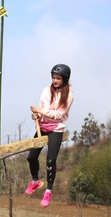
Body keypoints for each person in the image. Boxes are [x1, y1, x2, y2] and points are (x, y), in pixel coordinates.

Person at [25, 64, 74, 207]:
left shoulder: (69, 94)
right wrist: (36, 114)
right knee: (31, 157)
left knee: (50, 161)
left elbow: (59, 114)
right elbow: (42, 109)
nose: (55, 81)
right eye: (53, 78)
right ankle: (35, 181)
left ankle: (48, 191)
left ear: (64, 79)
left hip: (56, 128)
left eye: (58, 78)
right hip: (42, 126)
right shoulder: (46, 91)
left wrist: (41, 111)